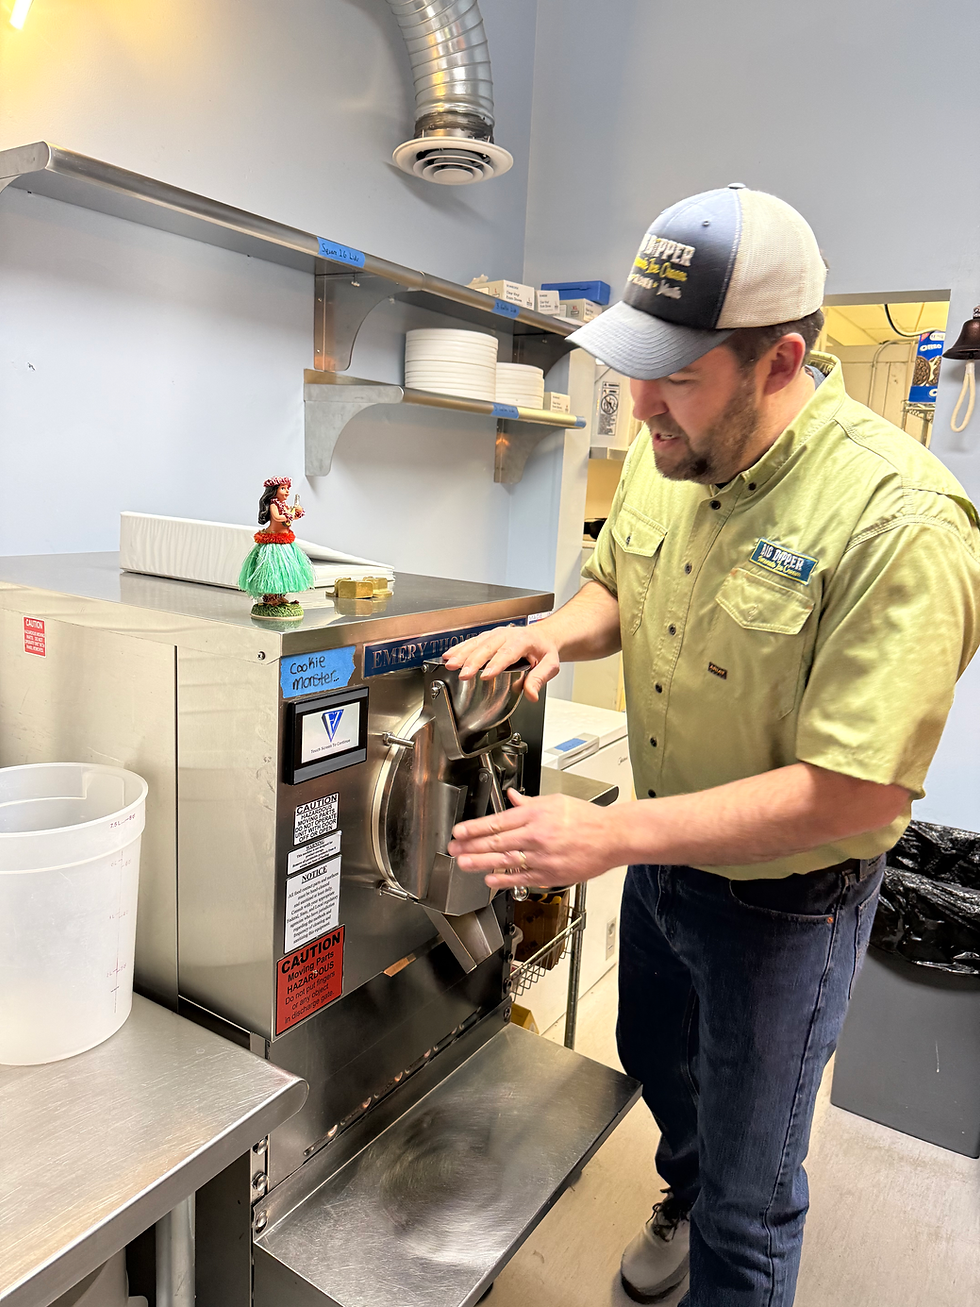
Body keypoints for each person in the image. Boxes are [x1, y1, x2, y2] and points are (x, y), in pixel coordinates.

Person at [445, 184, 980, 1306]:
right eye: (638, 370)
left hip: (788, 901)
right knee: (652, 1054)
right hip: (664, 859)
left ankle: (717, 1214)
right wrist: (549, 632)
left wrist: (605, 834)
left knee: (753, 1191)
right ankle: (681, 1189)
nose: (640, 405)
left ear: (779, 362)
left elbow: (847, 793)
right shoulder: (666, 442)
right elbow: (617, 586)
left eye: (676, 375)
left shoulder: (899, 522)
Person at [238, 476, 315, 620]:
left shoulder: (284, 505)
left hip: (285, 542)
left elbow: (290, 518)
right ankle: (270, 597)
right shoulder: (274, 505)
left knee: (285, 572)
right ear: (274, 490)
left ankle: (279, 596)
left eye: (287, 489)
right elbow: (279, 518)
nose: (286, 492)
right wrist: (291, 513)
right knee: (273, 570)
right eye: (283, 488)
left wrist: (296, 512)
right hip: (273, 543)